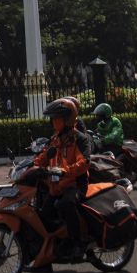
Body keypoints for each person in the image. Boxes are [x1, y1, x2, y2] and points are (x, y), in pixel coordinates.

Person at [34, 98, 89, 263]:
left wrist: (66, 171)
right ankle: (51, 251)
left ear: (67, 119)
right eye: (52, 119)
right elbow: (44, 156)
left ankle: (78, 244)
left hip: (75, 184)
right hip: (56, 185)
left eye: (56, 119)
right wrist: (34, 165)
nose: (53, 122)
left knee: (67, 204)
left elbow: (84, 162)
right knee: (43, 213)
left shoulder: (79, 139)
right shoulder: (56, 138)